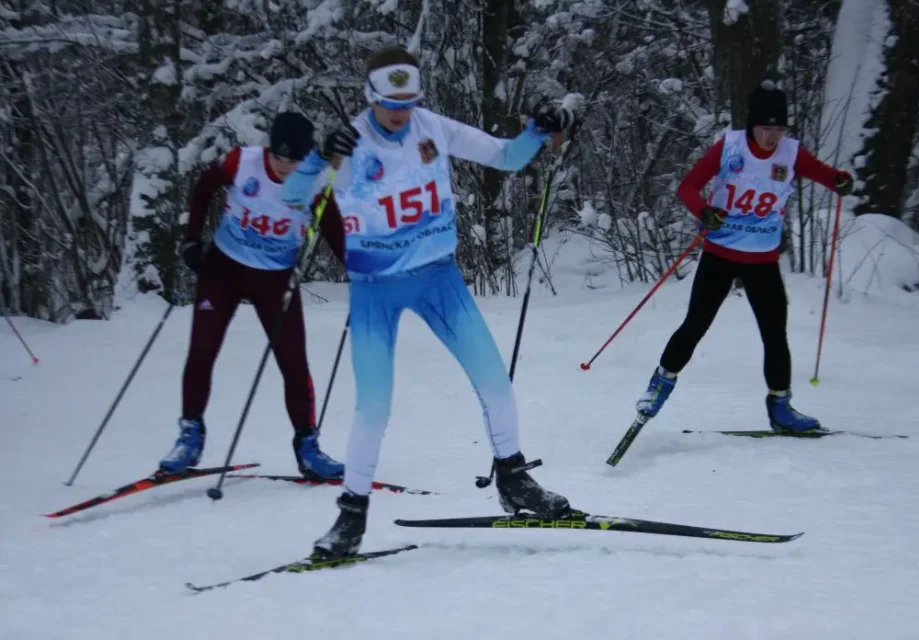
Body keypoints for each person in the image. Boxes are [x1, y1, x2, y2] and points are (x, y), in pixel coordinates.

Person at [281, 46, 576, 558]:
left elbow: (505, 156)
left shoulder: (431, 127)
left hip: (439, 278)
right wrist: (317, 157)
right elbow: (291, 197)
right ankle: (350, 518)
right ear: (371, 96)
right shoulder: (350, 144)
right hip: (376, 290)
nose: (400, 112)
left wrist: (536, 129)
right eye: (391, 102)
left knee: (494, 380)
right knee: (373, 408)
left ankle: (513, 478)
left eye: (409, 100)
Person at [635, 82, 853, 433]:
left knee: (774, 334)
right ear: (753, 125)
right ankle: (657, 389)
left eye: (779, 129)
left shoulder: (790, 153)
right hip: (720, 254)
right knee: (695, 325)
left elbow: (825, 175)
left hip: (762, 260)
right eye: (766, 128)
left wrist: (839, 180)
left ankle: (781, 408)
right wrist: (704, 211)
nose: (772, 136)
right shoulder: (730, 147)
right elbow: (687, 187)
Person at [159, 111, 352, 480]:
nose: (285, 167)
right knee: (202, 349)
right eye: (279, 157)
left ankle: (308, 447)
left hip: (275, 279)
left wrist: (357, 270)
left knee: (293, 363)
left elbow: (333, 228)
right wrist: (192, 238)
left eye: (295, 159)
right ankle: (190, 434)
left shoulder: (314, 181)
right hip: (224, 270)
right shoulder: (241, 162)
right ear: (268, 150)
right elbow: (203, 186)